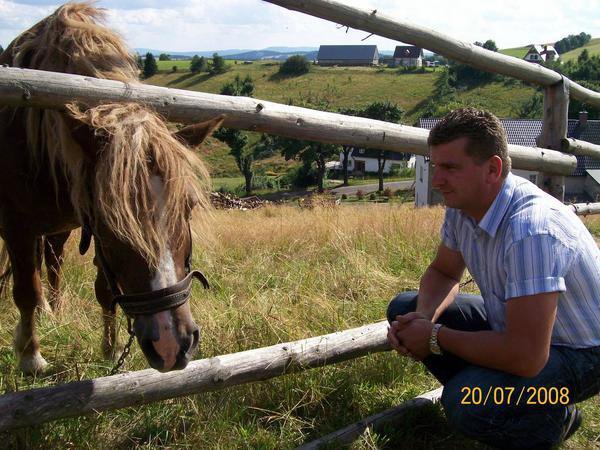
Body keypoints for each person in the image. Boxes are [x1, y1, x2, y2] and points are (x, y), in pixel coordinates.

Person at [387, 107, 600, 449]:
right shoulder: (463, 207)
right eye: (435, 166)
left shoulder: (532, 229)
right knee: (404, 307)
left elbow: (528, 356)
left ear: (493, 169)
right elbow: (443, 271)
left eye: (450, 167)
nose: (438, 180)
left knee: (466, 403)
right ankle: (540, 408)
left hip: (584, 353)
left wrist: (436, 336)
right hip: (524, 332)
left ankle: (543, 420)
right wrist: (423, 319)